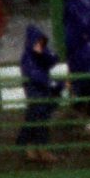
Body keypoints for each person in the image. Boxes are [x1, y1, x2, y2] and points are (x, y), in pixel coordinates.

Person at [18, 23, 63, 159]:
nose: (39, 45)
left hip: (40, 93)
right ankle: (38, 149)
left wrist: (45, 52)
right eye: (37, 42)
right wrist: (55, 83)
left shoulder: (37, 55)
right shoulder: (28, 58)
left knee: (36, 120)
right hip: (36, 93)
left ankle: (30, 147)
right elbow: (36, 75)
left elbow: (54, 59)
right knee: (38, 120)